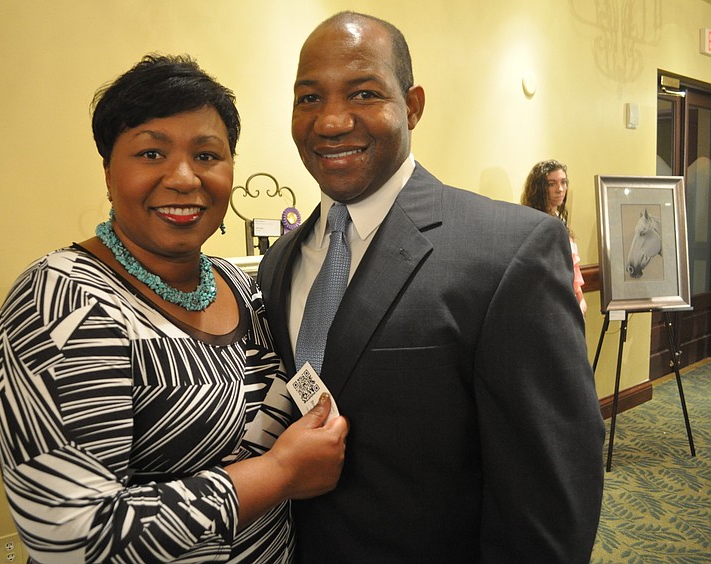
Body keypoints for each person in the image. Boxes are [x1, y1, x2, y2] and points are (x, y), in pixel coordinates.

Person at [257, 12, 605, 563]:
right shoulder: (280, 262)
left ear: (413, 106)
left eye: (364, 93)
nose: (331, 121)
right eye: (309, 98)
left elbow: (551, 493)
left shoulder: (511, 251)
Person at [0, 54, 348, 563]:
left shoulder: (240, 284)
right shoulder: (63, 299)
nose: (183, 178)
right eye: (151, 153)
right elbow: (70, 535)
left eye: (206, 155)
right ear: (108, 172)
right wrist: (279, 473)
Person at [522, 159, 588, 317]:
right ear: (539, 188)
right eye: (551, 184)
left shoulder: (559, 218)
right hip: (548, 303)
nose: (560, 189)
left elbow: (572, 264)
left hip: (568, 298)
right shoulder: (534, 222)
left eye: (563, 182)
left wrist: (580, 298)